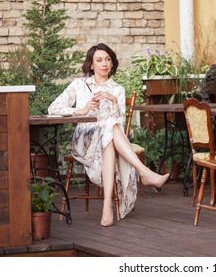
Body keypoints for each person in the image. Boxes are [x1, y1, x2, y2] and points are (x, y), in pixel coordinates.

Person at [48, 43, 169, 226]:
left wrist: (112, 100)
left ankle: (107, 207)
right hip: (85, 138)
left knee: (109, 133)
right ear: (91, 65)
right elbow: (53, 108)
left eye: (107, 59)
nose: (104, 63)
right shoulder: (79, 85)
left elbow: (119, 122)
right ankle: (144, 172)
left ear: (112, 64)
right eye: (99, 60)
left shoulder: (117, 89)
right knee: (110, 131)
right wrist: (81, 110)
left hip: (107, 138)